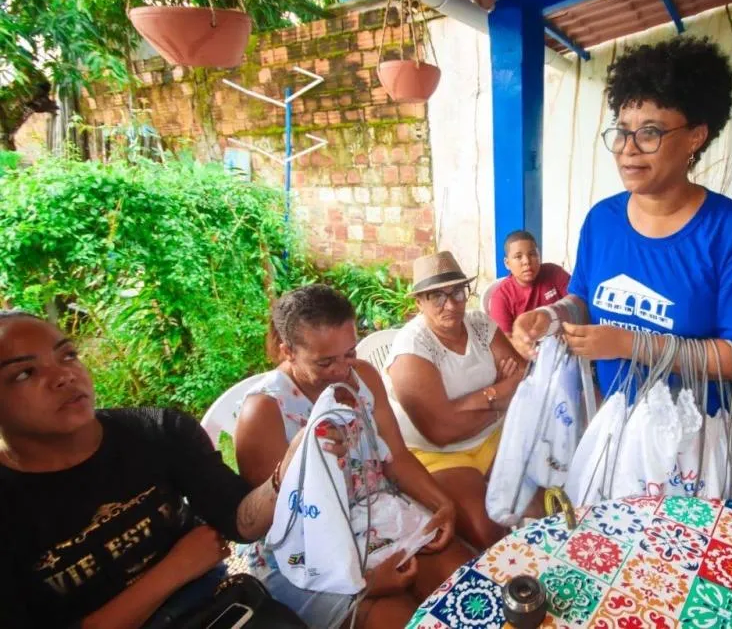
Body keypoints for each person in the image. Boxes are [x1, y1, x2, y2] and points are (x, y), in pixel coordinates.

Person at [511, 36, 732, 504]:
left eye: (650, 131)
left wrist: (632, 345)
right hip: (618, 430)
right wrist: (550, 317)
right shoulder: (603, 220)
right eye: (622, 130)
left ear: (696, 136)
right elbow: (584, 299)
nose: (628, 149)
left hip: (702, 444)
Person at [0, 310, 316, 629]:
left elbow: (240, 523)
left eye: (68, 355)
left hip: (219, 613)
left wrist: (286, 471)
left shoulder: (158, 432)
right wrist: (176, 569)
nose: (64, 376)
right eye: (25, 373)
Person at [234, 285, 470, 629]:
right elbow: (275, 528)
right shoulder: (265, 411)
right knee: (402, 620)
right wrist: (365, 581)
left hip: (374, 512)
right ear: (288, 351)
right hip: (307, 554)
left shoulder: (364, 377)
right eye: (325, 361)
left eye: (349, 352)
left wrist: (441, 504)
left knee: (466, 589)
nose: (343, 369)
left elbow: (396, 457)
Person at [385, 251, 526, 549]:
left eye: (457, 292)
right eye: (436, 296)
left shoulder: (479, 324)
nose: (450, 304)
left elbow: (523, 379)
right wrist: (499, 397)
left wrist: (470, 403)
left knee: (541, 499)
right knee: (486, 531)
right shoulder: (412, 349)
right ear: (418, 302)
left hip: (493, 438)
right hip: (437, 454)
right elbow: (440, 432)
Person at [488, 230, 571, 335]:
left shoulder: (554, 273)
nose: (527, 261)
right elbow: (505, 342)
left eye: (532, 254)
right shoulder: (501, 297)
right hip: (528, 349)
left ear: (539, 256)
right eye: (518, 257)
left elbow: (576, 303)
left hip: (565, 340)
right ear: (507, 263)